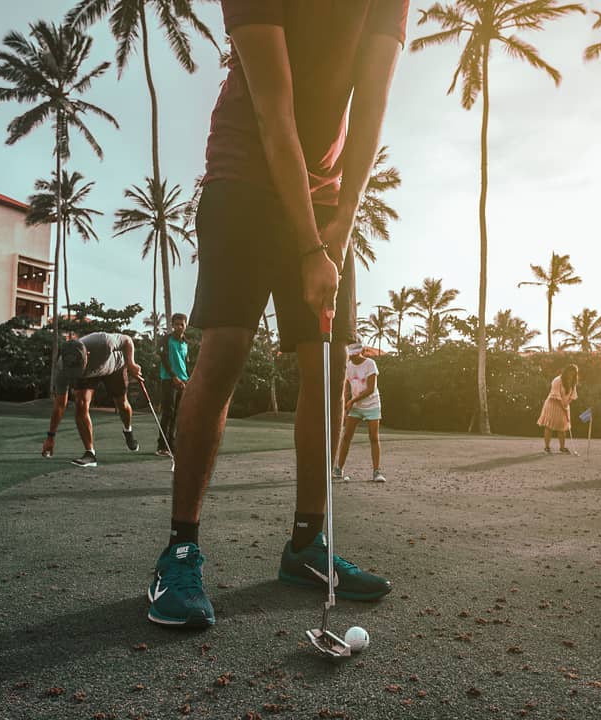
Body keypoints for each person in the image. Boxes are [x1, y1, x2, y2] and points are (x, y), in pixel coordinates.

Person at [146, 0, 408, 629]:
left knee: (327, 362)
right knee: (228, 346)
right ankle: (180, 550)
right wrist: (311, 246)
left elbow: (370, 111)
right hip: (242, 176)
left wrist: (337, 232)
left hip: (324, 195)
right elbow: (274, 113)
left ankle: (306, 545)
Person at [41, 332, 143, 468]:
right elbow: (60, 405)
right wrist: (50, 437)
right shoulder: (63, 369)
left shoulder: (102, 342)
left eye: (79, 369)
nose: (76, 373)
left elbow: (127, 340)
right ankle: (90, 454)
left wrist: (131, 363)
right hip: (89, 377)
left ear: (87, 355)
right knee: (80, 403)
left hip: (114, 367)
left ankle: (127, 430)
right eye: (73, 372)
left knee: (122, 404)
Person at [333, 343, 386, 482]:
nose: (353, 357)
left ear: (360, 351)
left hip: (372, 404)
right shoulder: (348, 366)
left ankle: (376, 472)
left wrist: (352, 401)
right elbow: (346, 387)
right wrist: (345, 402)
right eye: (351, 355)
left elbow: (371, 389)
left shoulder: (370, 364)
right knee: (346, 437)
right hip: (355, 406)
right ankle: (339, 469)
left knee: (374, 437)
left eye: (355, 354)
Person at [156, 313, 190, 456]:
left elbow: (185, 363)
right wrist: (174, 376)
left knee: (177, 414)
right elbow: (164, 359)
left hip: (183, 381)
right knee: (168, 413)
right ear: (172, 325)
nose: (179, 327)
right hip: (169, 380)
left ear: (185, 326)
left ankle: (171, 445)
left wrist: (186, 380)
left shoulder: (186, 342)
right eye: (176, 324)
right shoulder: (166, 340)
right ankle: (162, 446)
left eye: (181, 324)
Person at [537, 364, 579, 454]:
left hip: (564, 406)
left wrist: (566, 405)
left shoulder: (573, 382)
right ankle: (547, 447)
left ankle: (562, 448)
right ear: (566, 372)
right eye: (570, 373)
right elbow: (556, 394)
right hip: (553, 404)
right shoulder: (557, 380)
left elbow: (572, 396)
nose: (571, 376)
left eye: (573, 374)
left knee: (563, 427)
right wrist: (562, 405)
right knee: (549, 426)